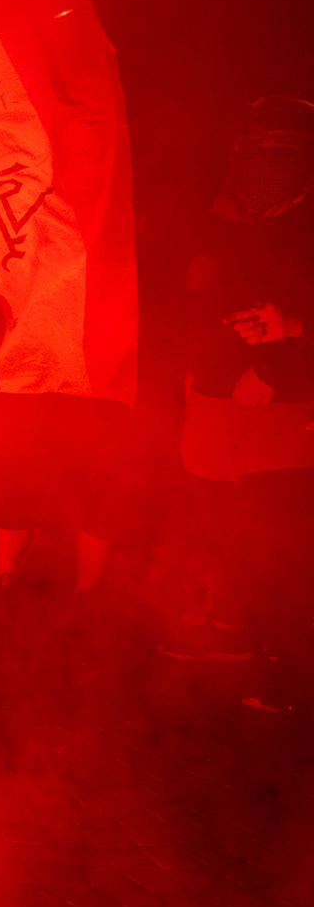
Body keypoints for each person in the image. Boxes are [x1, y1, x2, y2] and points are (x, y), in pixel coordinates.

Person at [168, 96, 312, 708]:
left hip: (274, 405)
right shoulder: (222, 213)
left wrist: (279, 364)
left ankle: (289, 669)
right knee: (220, 524)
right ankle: (230, 630)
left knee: (278, 544)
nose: (266, 172)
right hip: (215, 391)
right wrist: (196, 372)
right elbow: (203, 294)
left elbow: (290, 315)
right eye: (259, 154)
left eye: (282, 158)